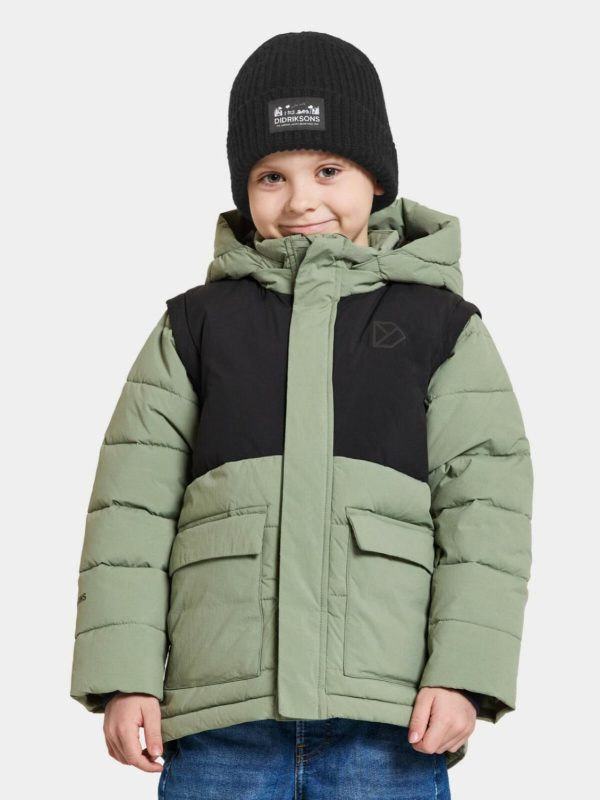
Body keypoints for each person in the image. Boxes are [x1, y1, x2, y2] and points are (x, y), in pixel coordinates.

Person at [69, 31, 533, 799]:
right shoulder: (195, 327)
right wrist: (126, 677)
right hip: (221, 714)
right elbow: (131, 511)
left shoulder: (441, 328)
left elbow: (486, 514)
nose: (300, 200)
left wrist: (464, 675)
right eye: (270, 177)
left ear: (376, 178)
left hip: (387, 717)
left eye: (328, 170)